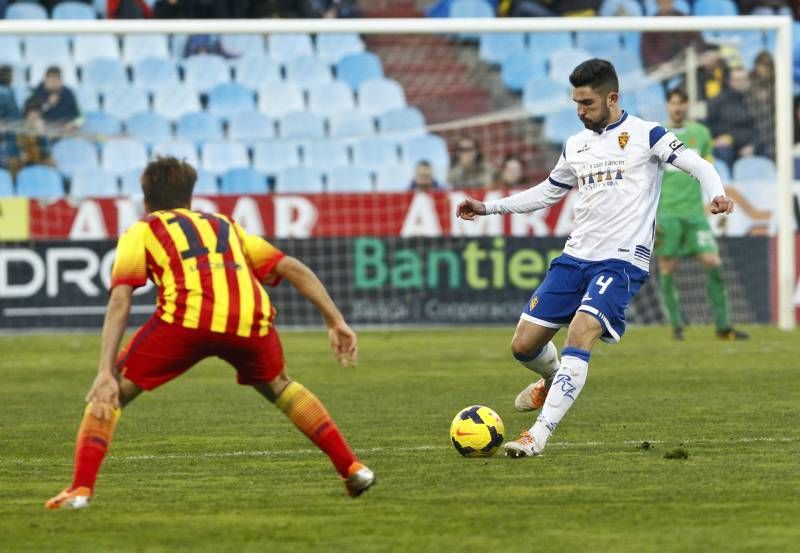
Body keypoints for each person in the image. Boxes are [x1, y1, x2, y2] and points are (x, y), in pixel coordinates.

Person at [45, 156, 374, 509]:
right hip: (250, 318)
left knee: (110, 391)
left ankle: (80, 489)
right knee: (280, 385)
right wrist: (335, 321)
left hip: (186, 319)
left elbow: (121, 299)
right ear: (190, 198)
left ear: (146, 200)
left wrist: (104, 371)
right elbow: (291, 267)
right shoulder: (225, 225)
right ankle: (353, 468)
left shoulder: (142, 230)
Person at [456, 59, 734, 458]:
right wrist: (489, 208)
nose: (580, 111)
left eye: (586, 103)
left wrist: (716, 194)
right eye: (575, 103)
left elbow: (697, 164)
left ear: (612, 98)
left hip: (621, 262)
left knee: (581, 333)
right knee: (522, 346)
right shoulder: (576, 145)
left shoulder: (647, 134)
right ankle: (553, 379)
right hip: (575, 257)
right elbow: (547, 192)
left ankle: (537, 435)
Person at [656, 88, 749, 341]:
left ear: (687, 106)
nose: (678, 108)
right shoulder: (658, 135)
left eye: (682, 103)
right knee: (667, 268)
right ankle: (676, 327)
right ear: (668, 106)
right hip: (666, 215)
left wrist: (713, 198)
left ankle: (722, 326)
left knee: (713, 263)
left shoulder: (701, 134)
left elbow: (708, 169)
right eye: (674, 103)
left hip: (695, 214)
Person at [706, 67, 757, 169]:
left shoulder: (754, 101)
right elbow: (710, 125)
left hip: (748, 145)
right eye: (737, 80)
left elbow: (757, 128)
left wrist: (753, 145)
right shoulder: (718, 101)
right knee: (724, 151)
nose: (741, 83)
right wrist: (716, 140)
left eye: (744, 80)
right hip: (726, 146)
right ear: (730, 81)